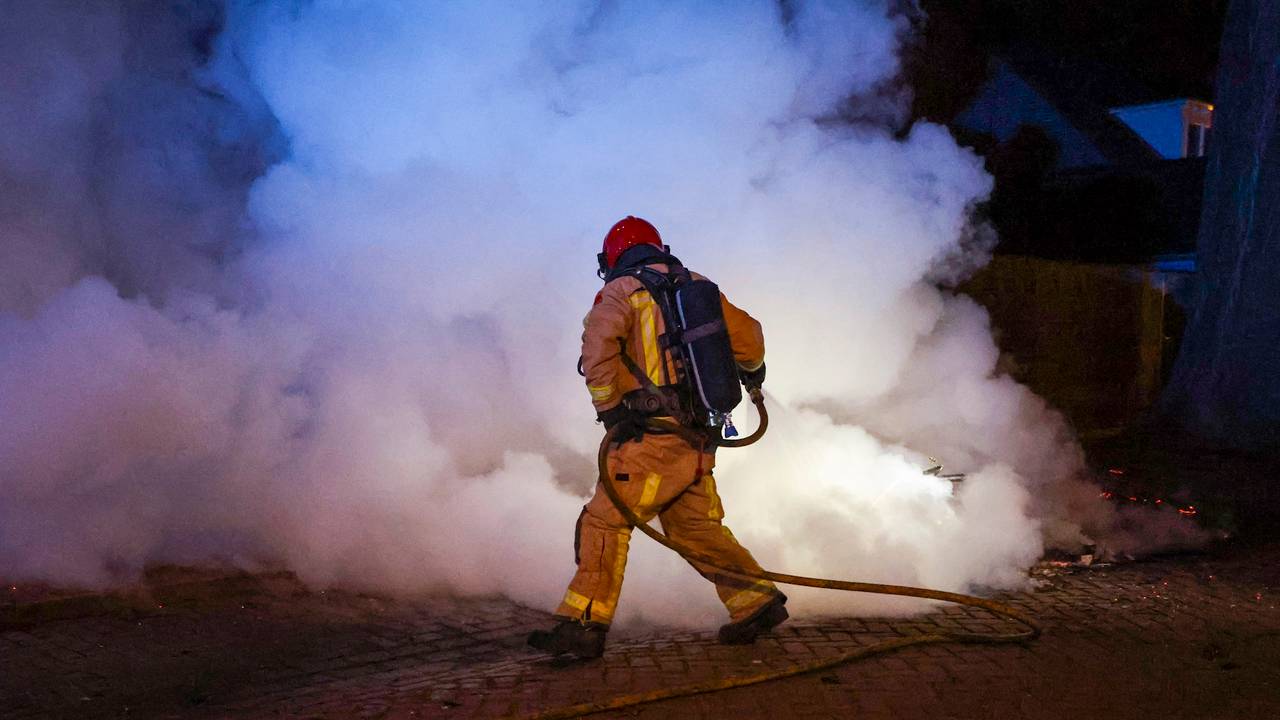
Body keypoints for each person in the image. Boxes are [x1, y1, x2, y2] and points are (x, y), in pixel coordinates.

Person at [527, 216, 786, 659]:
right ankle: (756, 602)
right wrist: (753, 374)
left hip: (652, 438)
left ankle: (584, 625)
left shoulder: (620, 291)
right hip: (698, 435)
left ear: (611, 258)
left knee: (604, 521)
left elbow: (598, 353)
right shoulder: (697, 285)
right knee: (694, 527)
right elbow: (750, 340)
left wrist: (610, 413)